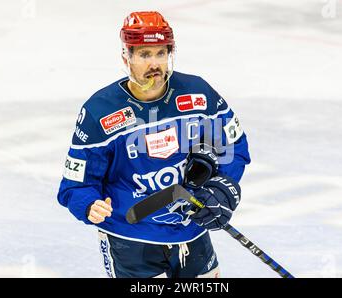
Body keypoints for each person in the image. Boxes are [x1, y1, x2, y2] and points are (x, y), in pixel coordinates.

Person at [57, 11, 251, 278]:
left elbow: (233, 148)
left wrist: (222, 187)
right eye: (145, 55)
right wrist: (89, 204)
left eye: (161, 53)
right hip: (132, 241)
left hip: (192, 234)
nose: (154, 64)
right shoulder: (100, 112)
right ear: (126, 57)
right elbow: (75, 186)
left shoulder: (199, 94)